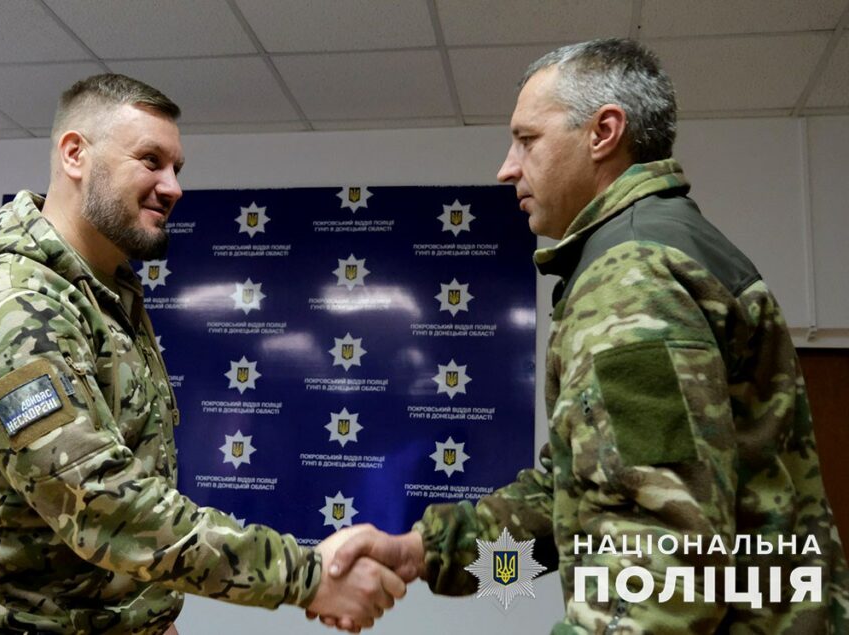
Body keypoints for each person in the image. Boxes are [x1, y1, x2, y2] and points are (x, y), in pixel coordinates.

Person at [324, 38, 849, 633]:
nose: (507, 168)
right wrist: (427, 555)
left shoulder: (632, 274)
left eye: (527, 140)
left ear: (603, 133)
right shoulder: (655, 248)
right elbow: (564, 509)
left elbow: (659, 561)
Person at [0, 73, 405, 635]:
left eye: (177, 168)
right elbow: (99, 503)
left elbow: (128, 494)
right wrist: (307, 576)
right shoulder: (12, 306)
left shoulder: (104, 297)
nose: (172, 187)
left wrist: (148, 613)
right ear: (75, 154)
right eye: (151, 160)